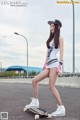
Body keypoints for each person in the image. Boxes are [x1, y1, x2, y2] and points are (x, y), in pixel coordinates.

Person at [24, 19, 66, 116]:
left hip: (55, 64)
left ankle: (61, 108)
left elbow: (62, 52)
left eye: (52, 25)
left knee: (51, 86)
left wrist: (60, 64)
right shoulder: (50, 39)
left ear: (58, 27)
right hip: (49, 65)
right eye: (50, 26)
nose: (50, 27)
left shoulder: (60, 38)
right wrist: (44, 63)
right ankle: (35, 102)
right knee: (34, 80)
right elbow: (47, 52)